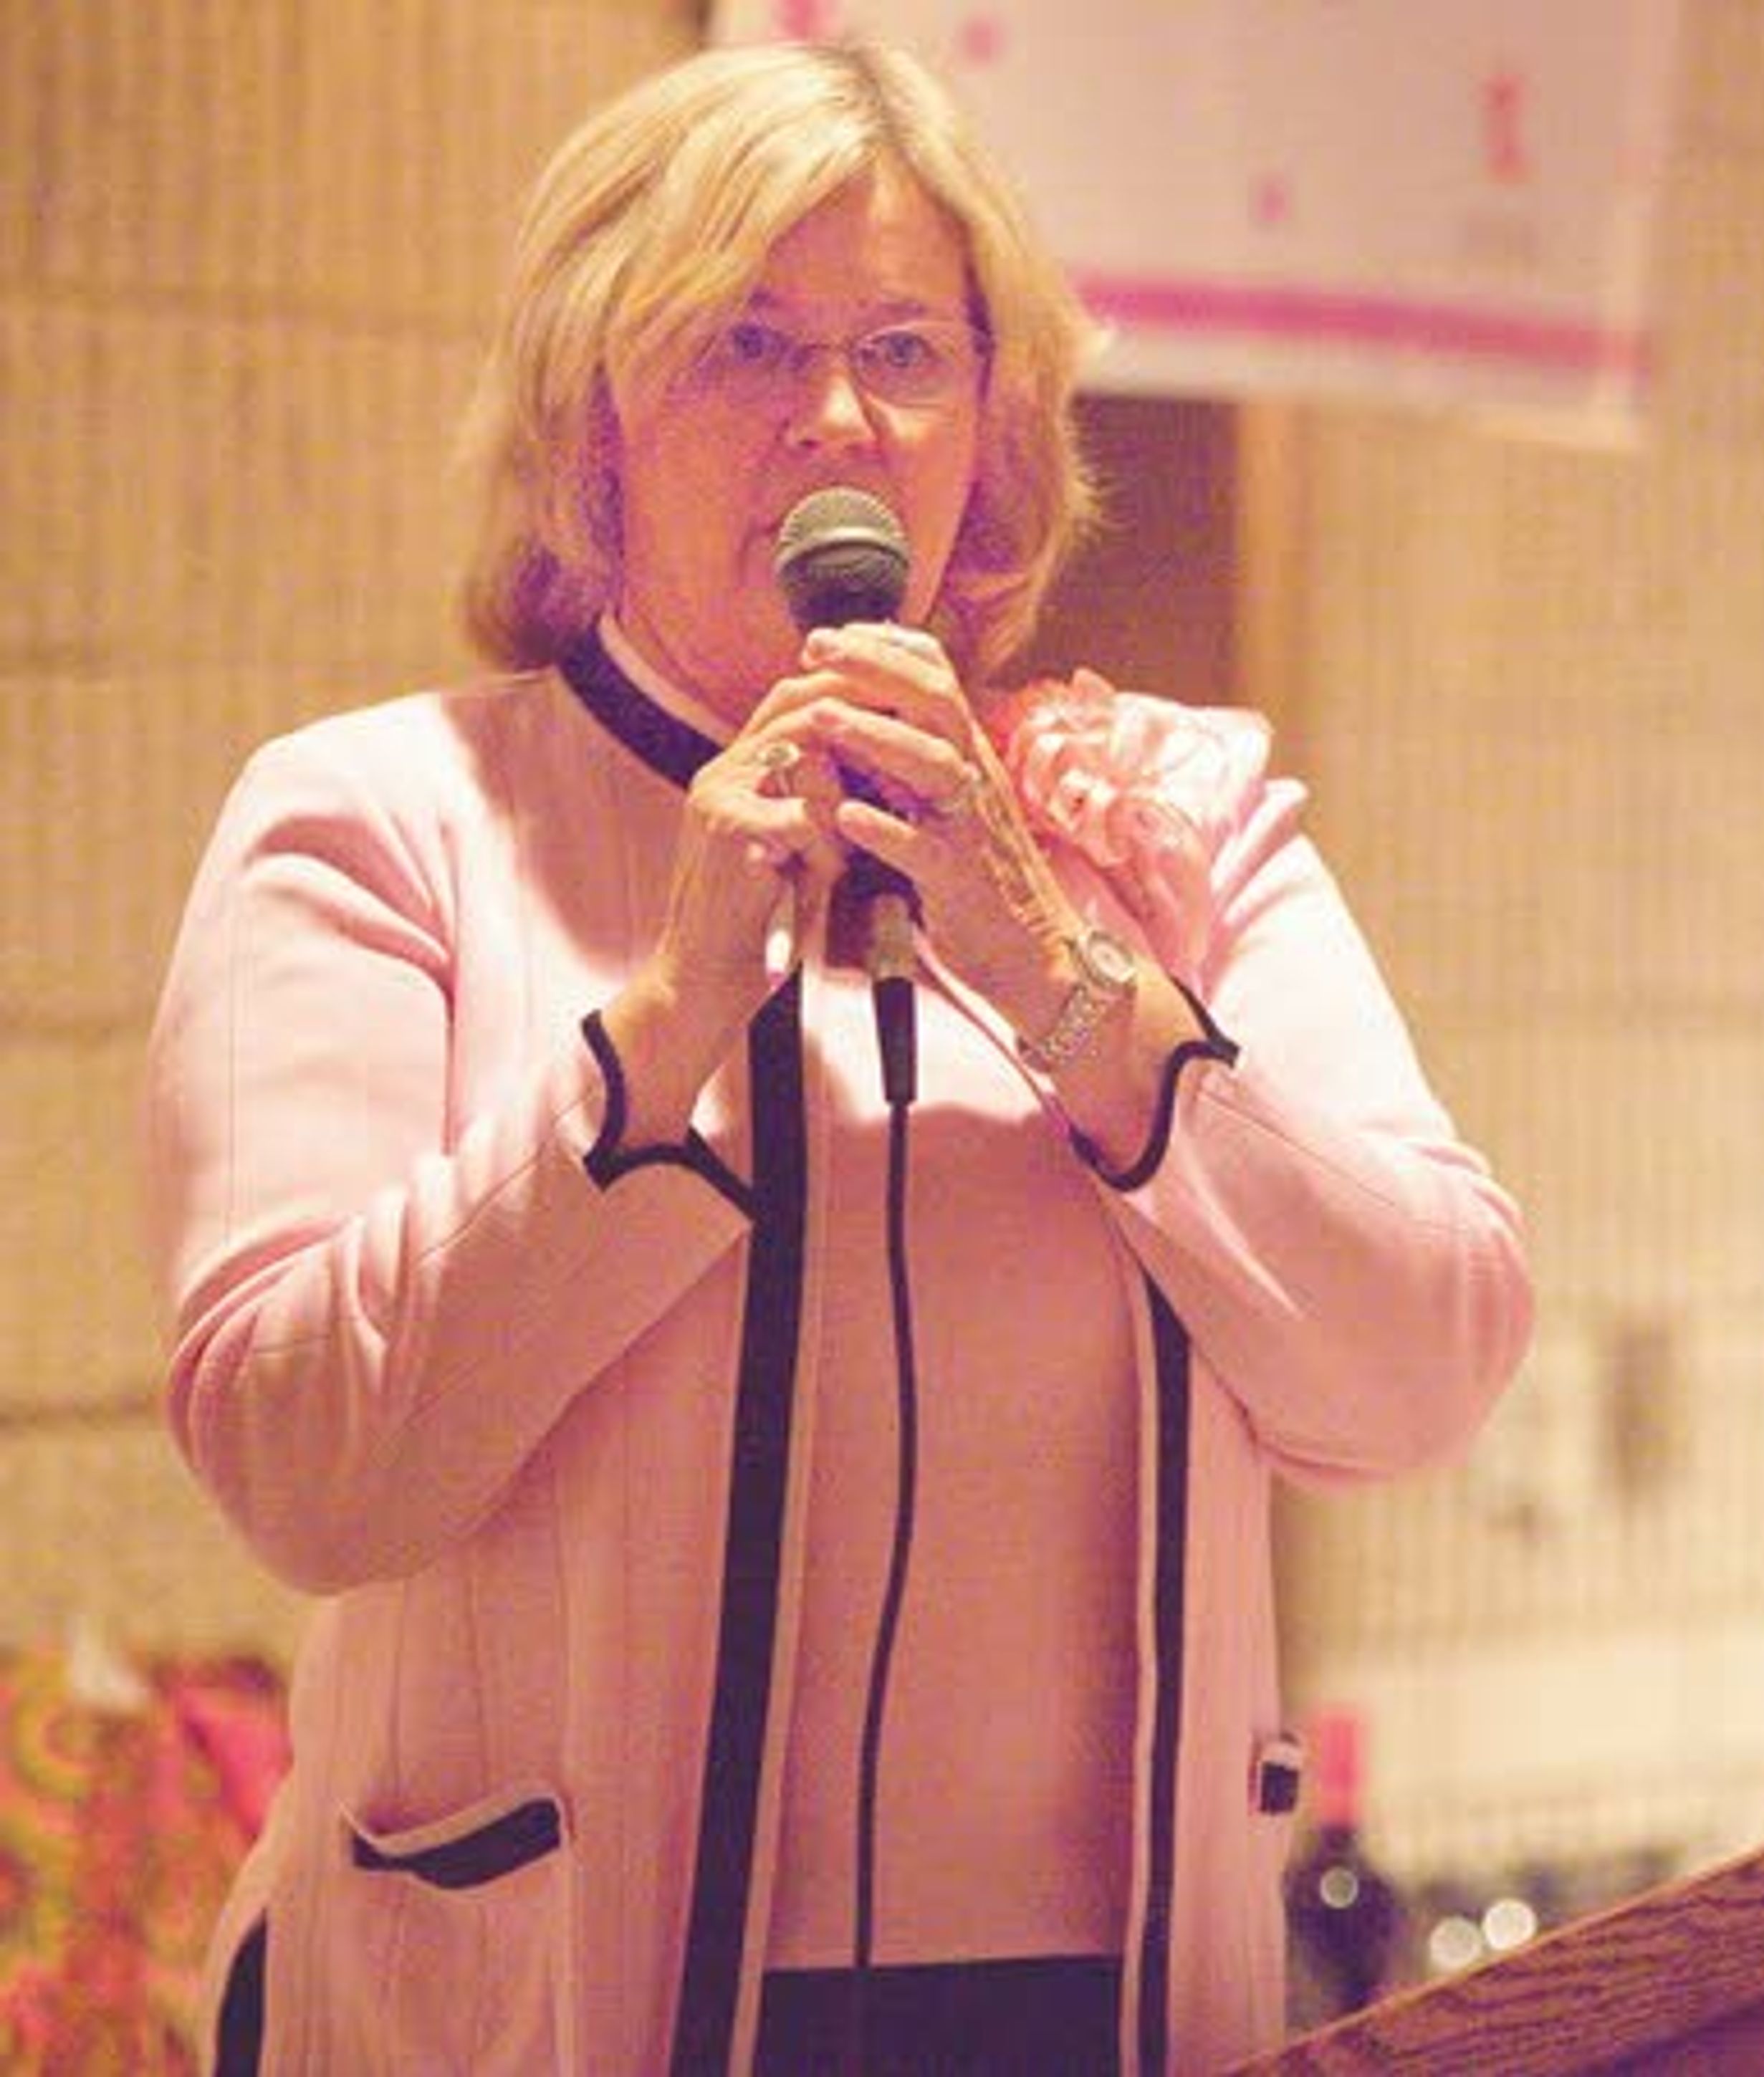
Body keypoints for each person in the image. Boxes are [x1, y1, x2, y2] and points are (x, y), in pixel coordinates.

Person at [139, 37, 1531, 2076]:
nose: (839, 417)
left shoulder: (1167, 823)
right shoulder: (379, 822)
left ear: (994, 428)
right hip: (551, 2000)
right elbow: (305, 1459)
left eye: (907, 347)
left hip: (1102, 2011)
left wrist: (1066, 985)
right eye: (743, 344)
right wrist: (666, 1026)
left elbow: (1429, 1352)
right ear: (591, 418)